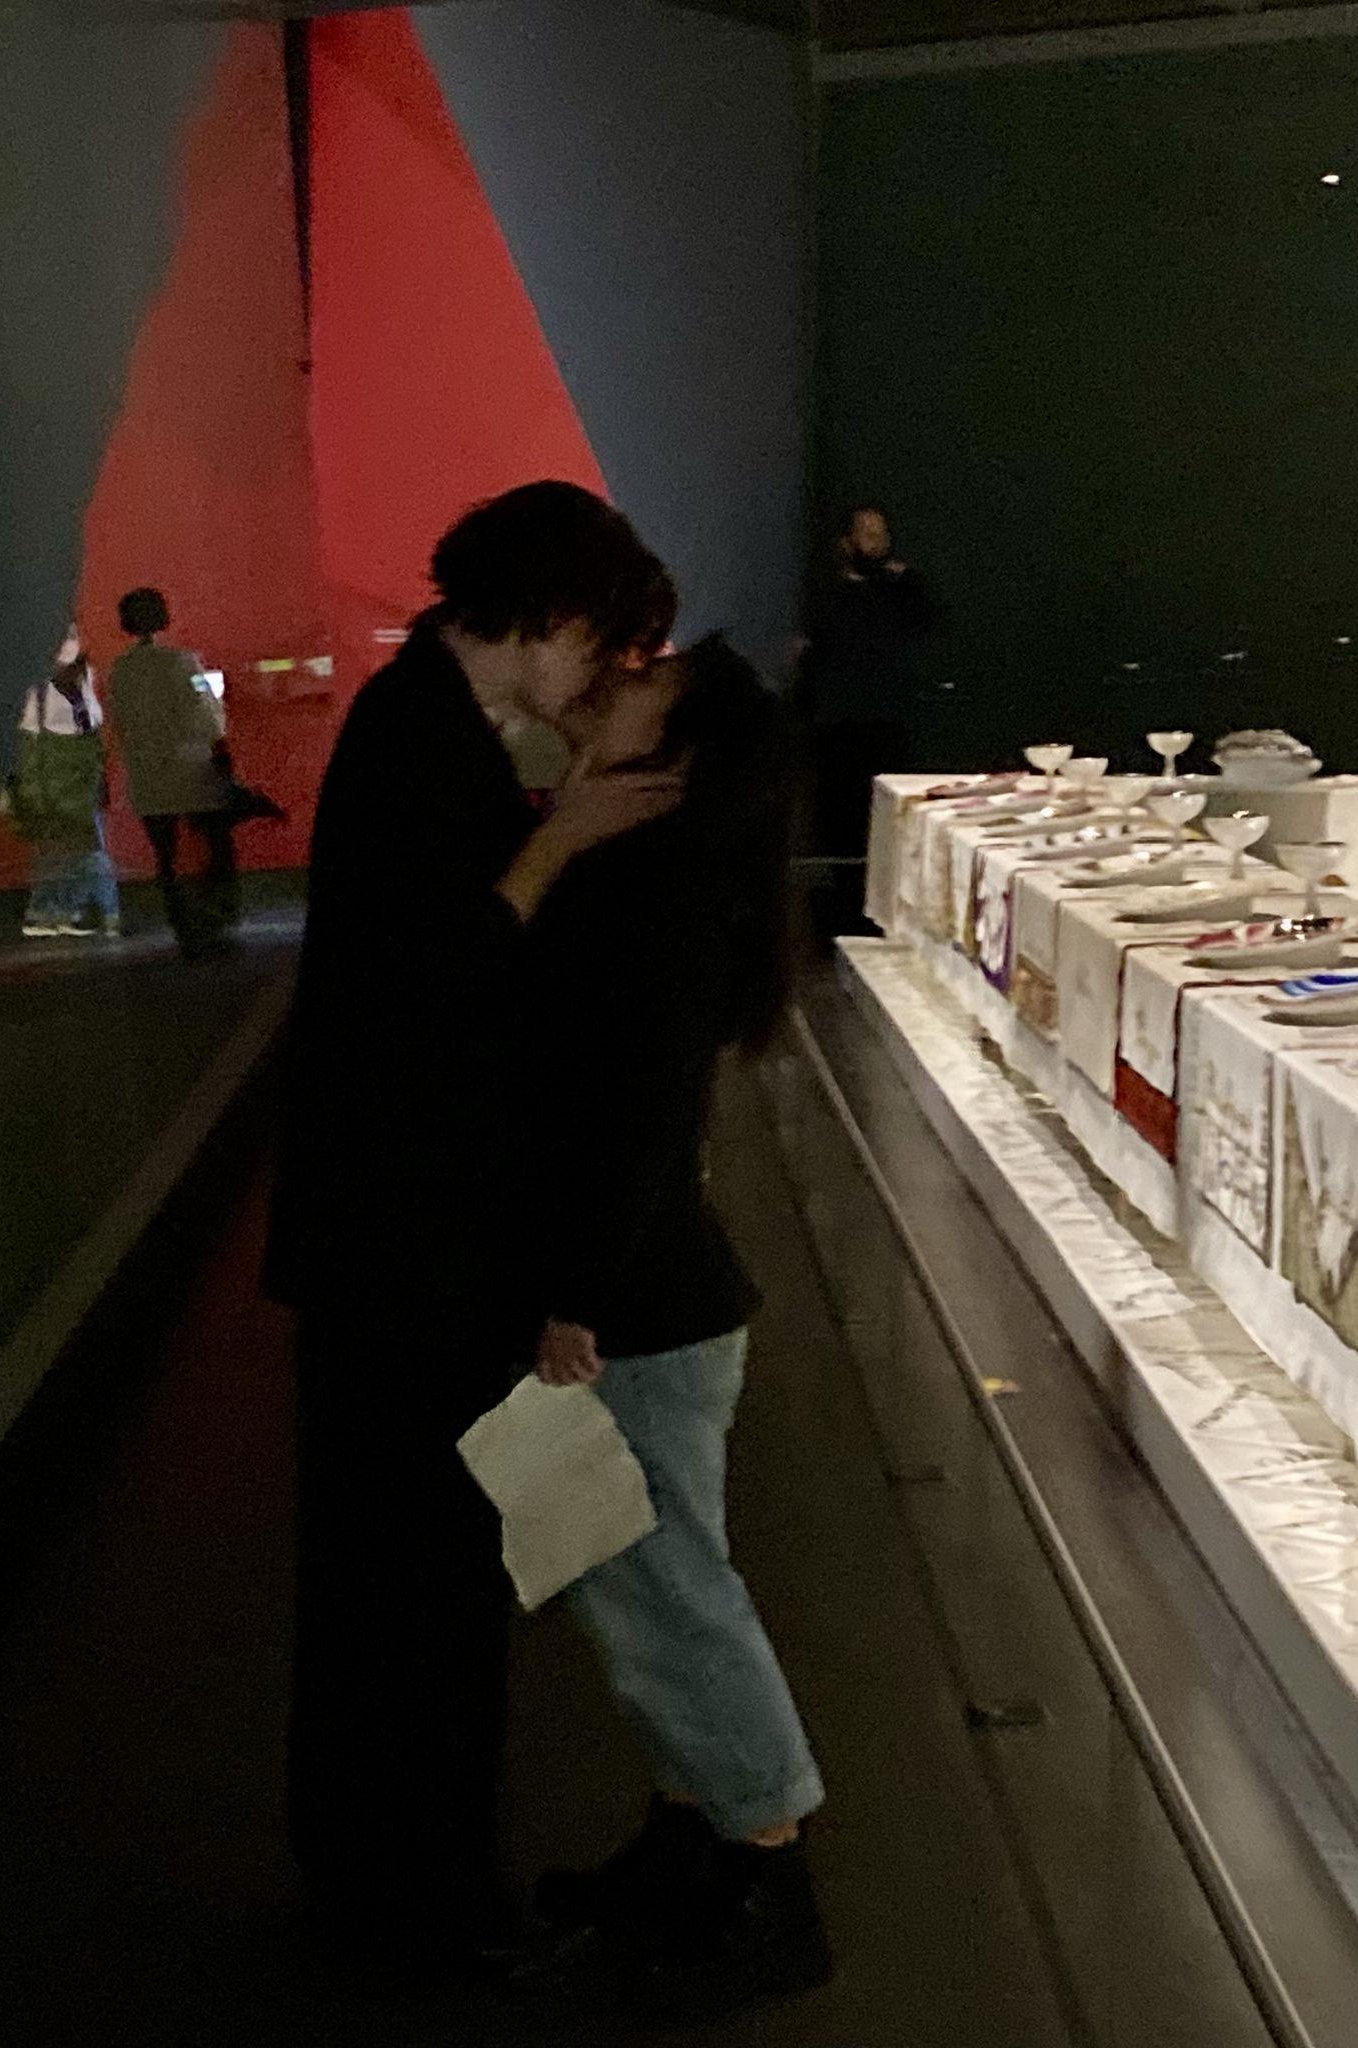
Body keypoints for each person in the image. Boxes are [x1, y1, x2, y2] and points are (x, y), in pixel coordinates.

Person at [264, 481, 683, 1980]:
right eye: (599, 643)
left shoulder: (423, 728)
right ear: (551, 614)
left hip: (398, 1234)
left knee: (409, 1581)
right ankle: (408, 1908)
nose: (595, 677)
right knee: (409, 1590)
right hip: (400, 1245)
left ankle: (402, 1889)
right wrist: (554, 840)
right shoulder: (411, 735)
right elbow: (420, 984)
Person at [524, 635, 830, 2025]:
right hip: (621, 1301)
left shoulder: (650, 897)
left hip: (626, 1311)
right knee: (618, 1588)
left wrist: (568, 1295)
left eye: (648, 676)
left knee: (669, 1593)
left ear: (679, 751)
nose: (617, 674)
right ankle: (688, 1835)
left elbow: (630, 1129)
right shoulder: (638, 874)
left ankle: (768, 1870)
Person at [800, 506, 929, 928]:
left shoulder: (902, 585)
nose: (874, 540)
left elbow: (925, 622)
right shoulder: (828, 589)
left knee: (889, 811)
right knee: (845, 816)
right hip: (840, 724)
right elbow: (819, 639)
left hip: (887, 720)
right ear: (846, 540)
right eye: (865, 532)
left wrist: (897, 580)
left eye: (880, 532)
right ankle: (846, 907)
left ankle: (892, 906)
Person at [105, 587, 237, 958]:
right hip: (191, 773)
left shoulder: (120, 672)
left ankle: (182, 926)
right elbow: (206, 713)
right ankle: (211, 923)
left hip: (147, 778)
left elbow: (119, 721)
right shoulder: (184, 663)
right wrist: (219, 746)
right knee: (208, 848)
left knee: (166, 855)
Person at [9, 627, 121, 939]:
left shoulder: (67, 678)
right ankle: (102, 913)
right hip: (69, 785)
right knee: (87, 850)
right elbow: (88, 725)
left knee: (57, 851)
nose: (71, 643)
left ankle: (49, 913)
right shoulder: (57, 683)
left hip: (57, 786)